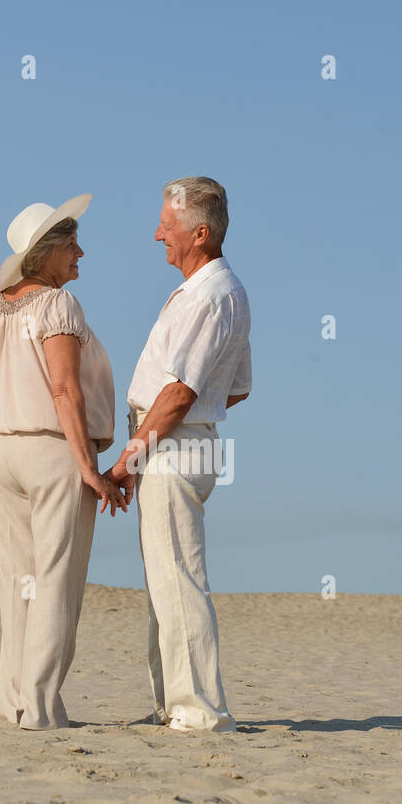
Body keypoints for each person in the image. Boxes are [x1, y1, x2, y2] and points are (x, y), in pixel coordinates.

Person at [109, 177, 251, 733]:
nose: (156, 235)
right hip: (178, 441)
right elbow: (234, 388)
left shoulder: (212, 294)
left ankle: (197, 711)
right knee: (166, 580)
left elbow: (180, 393)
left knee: (178, 579)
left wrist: (127, 461)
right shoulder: (214, 290)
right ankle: (175, 702)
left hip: (170, 443)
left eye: (166, 227)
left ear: (199, 231)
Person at [0, 194, 129, 730]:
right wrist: (87, 466)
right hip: (51, 451)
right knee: (56, 582)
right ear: (44, 252)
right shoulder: (57, 306)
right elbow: (65, 389)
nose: (81, 253)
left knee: (18, 580)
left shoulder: (1, 303)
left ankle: (15, 700)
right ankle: (41, 708)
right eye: (71, 244)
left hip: (2, 450)